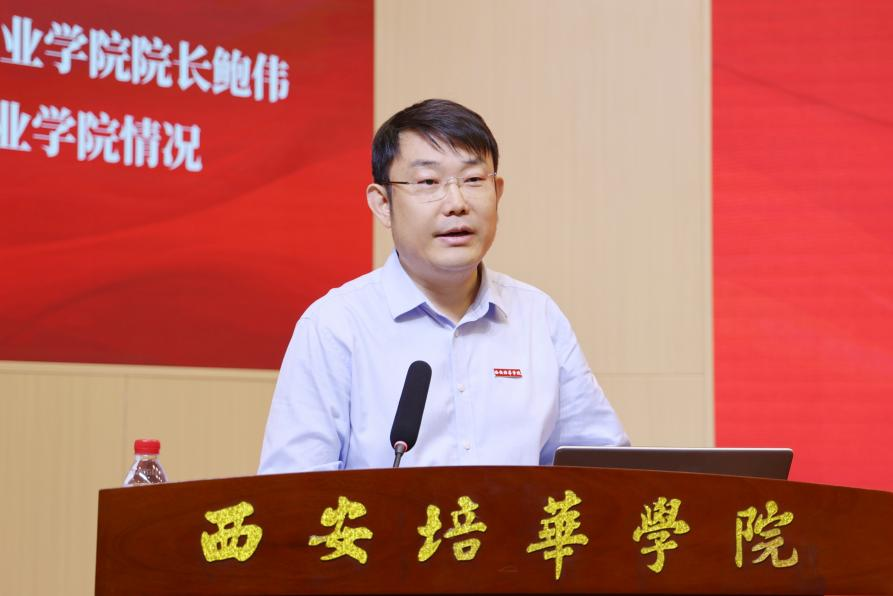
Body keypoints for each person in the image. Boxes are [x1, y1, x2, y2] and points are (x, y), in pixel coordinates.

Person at [258, 99, 628, 473]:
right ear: (383, 204)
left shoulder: (538, 317)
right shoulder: (336, 325)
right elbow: (293, 489)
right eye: (428, 182)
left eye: (473, 180)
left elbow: (603, 470)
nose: (456, 203)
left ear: (497, 192)